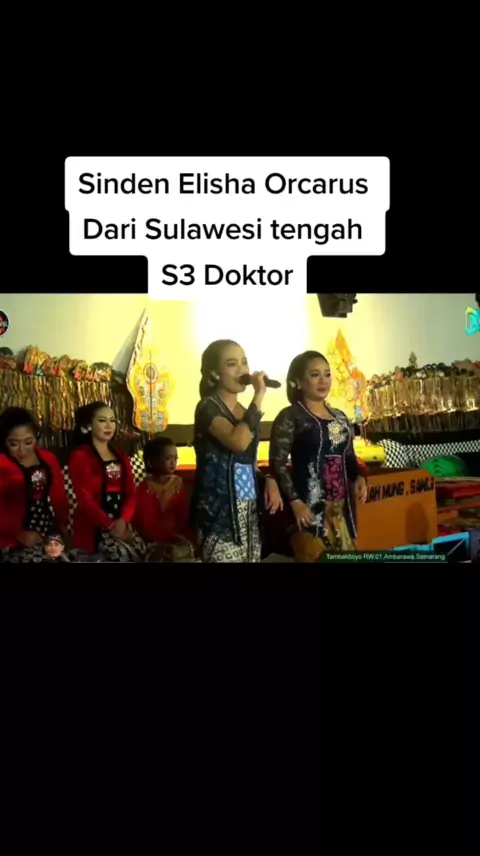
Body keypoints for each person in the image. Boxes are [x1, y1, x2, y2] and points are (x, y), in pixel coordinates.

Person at [191, 339, 283, 562]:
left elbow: (249, 463)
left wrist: (268, 480)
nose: (242, 370)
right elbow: (238, 442)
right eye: (232, 364)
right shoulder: (207, 407)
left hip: (249, 512)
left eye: (244, 362)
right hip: (219, 514)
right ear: (214, 373)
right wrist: (259, 395)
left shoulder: (247, 411)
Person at [269, 351, 367, 555]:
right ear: (298, 381)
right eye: (315, 375)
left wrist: (359, 476)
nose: (323, 381)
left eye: (327, 374)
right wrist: (295, 501)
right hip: (308, 511)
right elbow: (277, 463)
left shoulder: (340, 417)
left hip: (341, 512)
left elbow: (348, 456)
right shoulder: (291, 416)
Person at [68, 401, 145, 561]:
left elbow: (132, 493)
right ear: (89, 425)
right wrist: (110, 524)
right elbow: (84, 499)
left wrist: (124, 520)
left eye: (112, 420)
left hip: (121, 523)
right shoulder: (80, 456)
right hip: (94, 526)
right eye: (102, 421)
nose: (109, 426)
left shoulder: (121, 455)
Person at [0, 407, 70, 562]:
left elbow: (59, 497)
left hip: (48, 530)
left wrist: (63, 526)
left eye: (28, 442)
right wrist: (19, 534)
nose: (22, 450)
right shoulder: (2, 463)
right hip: (11, 540)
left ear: (36, 437)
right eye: (13, 444)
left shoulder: (48, 459)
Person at [133, 436, 195, 560]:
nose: (173, 462)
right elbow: (145, 522)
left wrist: (180, 536)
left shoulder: (178, 483)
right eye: (168, 458)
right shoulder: (145, 487)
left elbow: (183, 514)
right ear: (152, 461)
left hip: (178, 537)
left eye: (175, 458)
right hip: (153, 540)